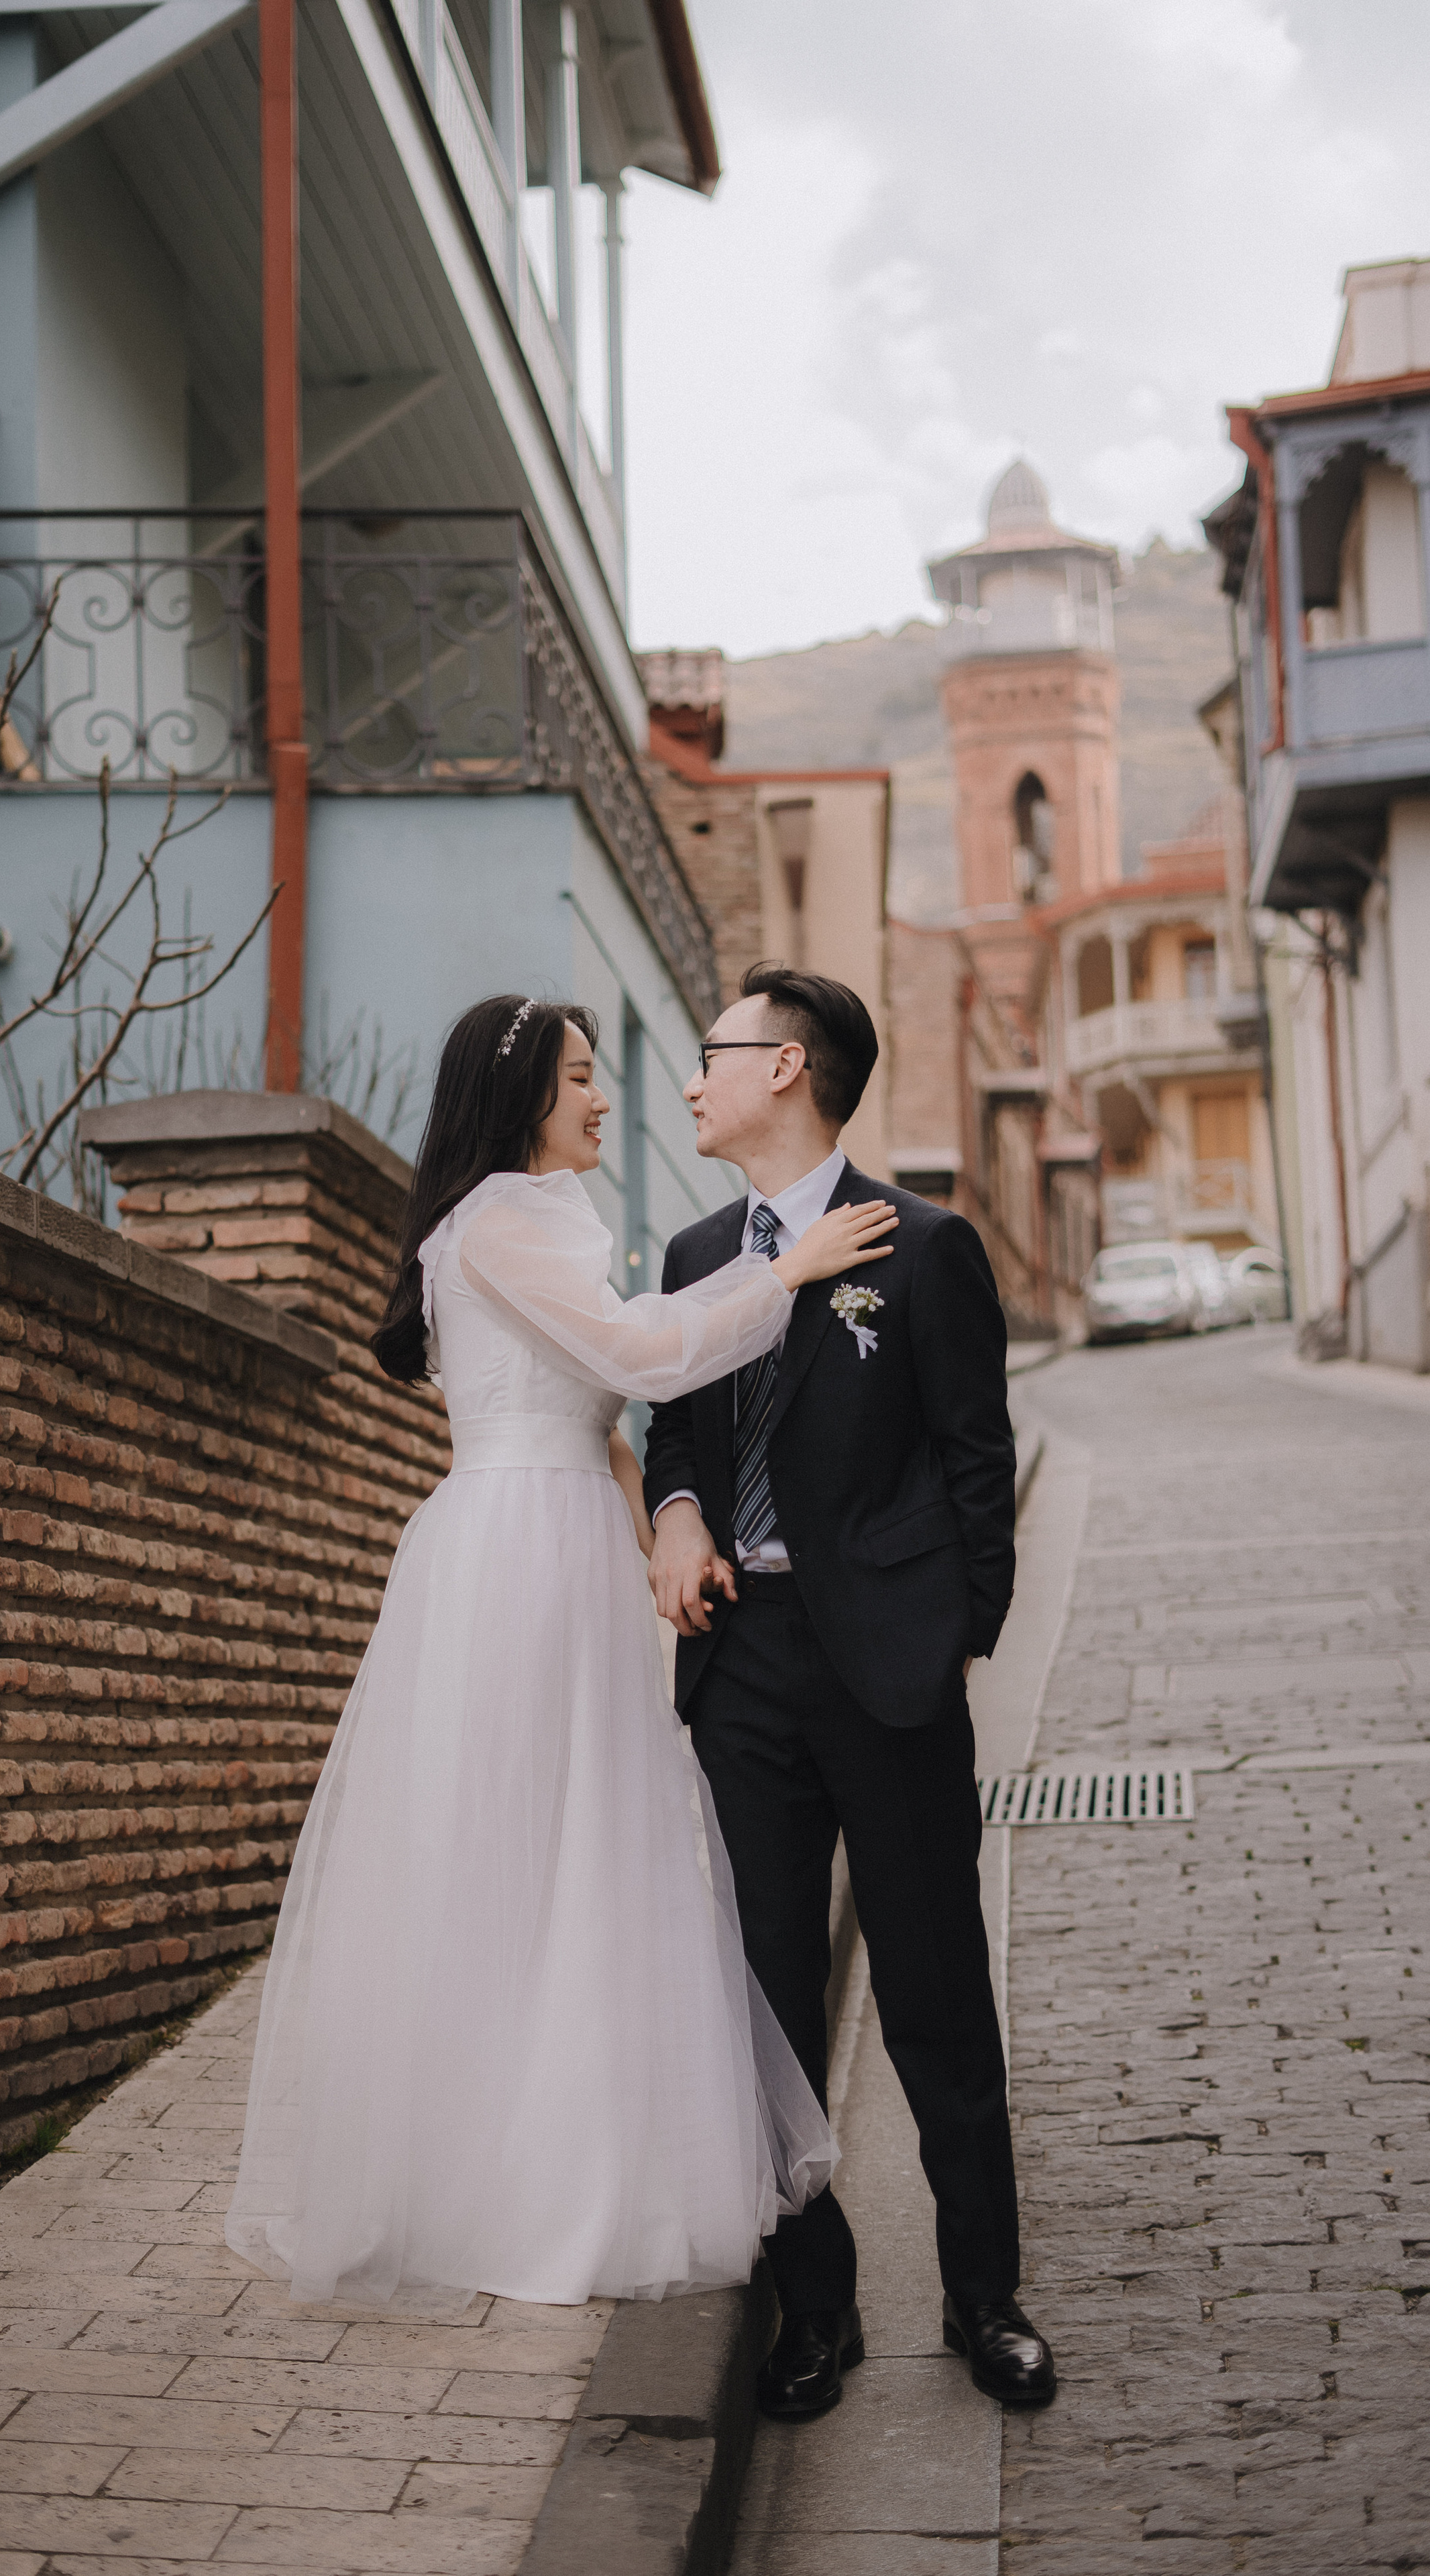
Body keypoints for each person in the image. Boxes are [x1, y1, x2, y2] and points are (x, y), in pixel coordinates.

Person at [224, 993, 898, 2306]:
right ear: (523, 1093)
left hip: (573, 1543)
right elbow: (632, 1353)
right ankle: (507, 2184)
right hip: (510, 1556)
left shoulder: (548, 1222)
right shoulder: (486, 1227)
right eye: (584, 1077)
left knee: (586, 1845)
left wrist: (665, 1516)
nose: (605, 1098)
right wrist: (785, 1270)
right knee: (515, 1849)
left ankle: (581, 2143)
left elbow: (597, 1404)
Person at [644, 963, 1056, 2418]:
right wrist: (678, 1508)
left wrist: (961, 1633)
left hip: (884, 1669)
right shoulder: (699, 1246)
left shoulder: (922, 1245)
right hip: (739, 1664)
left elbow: (973, 1456)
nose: (690, 1077)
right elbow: (672, 1432)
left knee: (935, 1988)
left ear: (790, 1067)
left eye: (714, 1052)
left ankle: (982, 2298)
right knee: (760, 1995)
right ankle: (814, 2313)